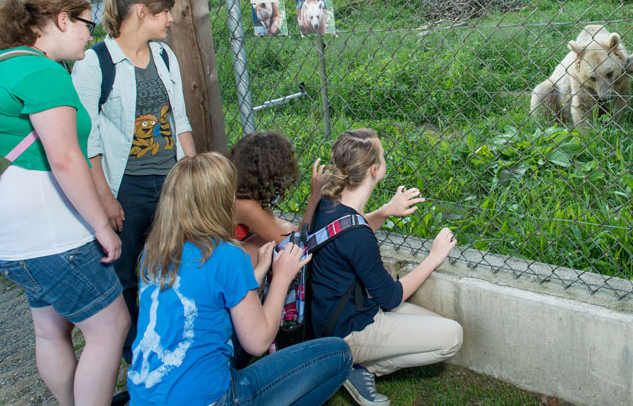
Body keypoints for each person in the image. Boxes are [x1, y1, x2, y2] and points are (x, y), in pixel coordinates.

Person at [127, 152, 352, 406]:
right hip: (213, 400)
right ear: (219, 202)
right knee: (338, 353)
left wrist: (256, 276)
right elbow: (258, 342)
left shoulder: (154, 251)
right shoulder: (226, 254)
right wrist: (281, 278)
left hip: (144, 397)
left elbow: (211, 299)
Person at [0, 0, 130, 406]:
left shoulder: (4, 66)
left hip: (13, 236)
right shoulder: (43, 72)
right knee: (110, 327)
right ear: (62, 20)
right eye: (87, 25)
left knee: (50, 329)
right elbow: (66, 159)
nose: (90, 36)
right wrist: (100, 226)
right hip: (52, 232)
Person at [71, 0, 196, 362]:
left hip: (171, 180)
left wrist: (193, 173)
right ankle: (133, 353)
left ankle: (174, 338)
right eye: (164, 12)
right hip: (127, 185)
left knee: (176, 263)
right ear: (142, 13)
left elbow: (180, 120)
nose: (170, 20)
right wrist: (104, 198)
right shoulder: (96, 63)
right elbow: (86, 137)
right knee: (127, 273)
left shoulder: (163, 56)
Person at [309, 128, 463, 406]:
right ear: (374, 170)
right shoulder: (358, 237)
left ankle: (352, 363)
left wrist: (384, 211)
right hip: (350, 330)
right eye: (383, 155)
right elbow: (391, 297)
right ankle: (355, 367)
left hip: (328, 317)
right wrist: (433, 258)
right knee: (452, 336)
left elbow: (344, 233)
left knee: (437, 325)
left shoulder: (328, 203)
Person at [230, 132, 327, 266]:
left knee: (286, 230)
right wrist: (314, 196)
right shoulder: (245, 204)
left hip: (216, 255)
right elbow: (292, 244)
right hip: (209, 264)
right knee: (278, 250)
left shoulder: (246, 191)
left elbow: (285, 229)